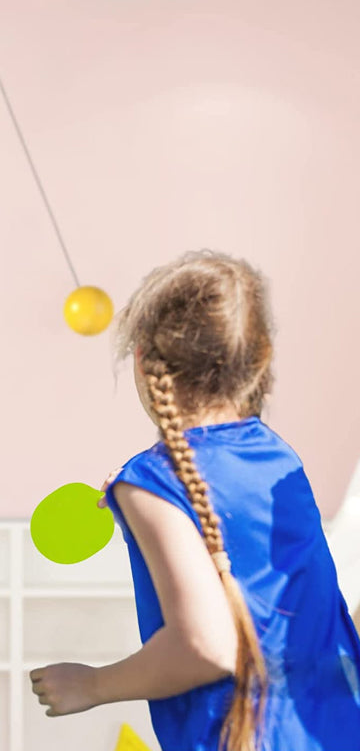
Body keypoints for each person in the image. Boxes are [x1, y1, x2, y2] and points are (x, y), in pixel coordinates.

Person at [30, 251, 360, 751]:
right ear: (256, 363)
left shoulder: (149, 481)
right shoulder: (279, 458)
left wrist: (93, 685)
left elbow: (205, 647)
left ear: (142, 360)